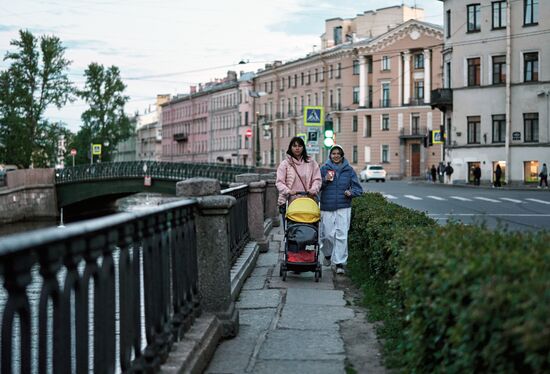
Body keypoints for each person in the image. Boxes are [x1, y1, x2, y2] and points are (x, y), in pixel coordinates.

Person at [319, 145, 363, 275]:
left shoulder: (349, 170)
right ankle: (327, 255)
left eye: (338, 153)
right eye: (333, 153)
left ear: (342, 155)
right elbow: (317, 186)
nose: (336, 155)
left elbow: (358, 189)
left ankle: (339, 263)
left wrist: (351, 192)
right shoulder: (324, 169)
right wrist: (325, 180)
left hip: (344, 206)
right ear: (330, 155)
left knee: (342, 235)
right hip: (327, 206)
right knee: (327, 235)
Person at [276, 136, 322, 213]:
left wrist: (313, 189)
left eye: (300, 146)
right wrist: (288, 191)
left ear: (303, 148)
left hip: (308, 200)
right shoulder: (285, 164)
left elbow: (317, 179)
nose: (297, 148)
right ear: (290, 148)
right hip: (290, 200)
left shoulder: (311, 163)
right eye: (294, 146)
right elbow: (279, 182)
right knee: (291, 224)